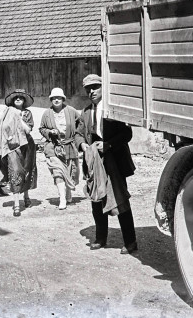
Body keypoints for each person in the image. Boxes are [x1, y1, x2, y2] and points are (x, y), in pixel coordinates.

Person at [73, 74, 138, 254]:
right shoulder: (86, 112)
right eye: (88, 89)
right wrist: (83, 145)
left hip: (114, 162)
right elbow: (78, 133)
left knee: (120, 199)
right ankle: (101, 238)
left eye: (95, 87)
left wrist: (109, 145)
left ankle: (130, 241)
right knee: (96, 200)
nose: (91, 91)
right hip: (94, 163)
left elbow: (127, 134)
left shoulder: (113, 110)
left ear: (104, 88)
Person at [0, 88, 38, 217]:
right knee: (15, 171)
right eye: (16, 97)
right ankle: (16, 204)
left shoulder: (27, 113)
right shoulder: (7, 112)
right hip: (12, 145)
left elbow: (28, 130)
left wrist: (19, 118)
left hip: (27, 145)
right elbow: (0, 127)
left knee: (27, 170)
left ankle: (26, 196)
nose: (18, 99)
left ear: (24, 100)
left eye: (21, 97)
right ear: (12, 101)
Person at [39, 88, 80, 210]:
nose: (56, 100)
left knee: (69, 171)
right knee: (57, 171)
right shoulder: (47, 113)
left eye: (59, 98)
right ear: (51, 100)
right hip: (53, 146)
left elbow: (81, 123)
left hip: (69, 145)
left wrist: (77, 137)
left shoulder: (71, 111)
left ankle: (68, 193)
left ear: (63, 99)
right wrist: (50, 132)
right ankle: (62, 198)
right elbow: (41, 128)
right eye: (54, 98)